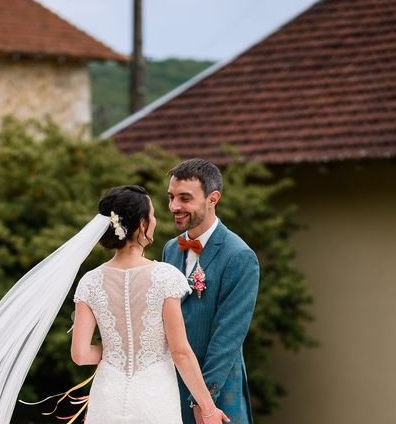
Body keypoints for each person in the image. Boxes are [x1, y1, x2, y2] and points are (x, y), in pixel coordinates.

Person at [72, 185, 229, 424]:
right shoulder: (164, 277)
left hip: (107, 398)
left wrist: (119, 351)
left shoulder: (90, 281)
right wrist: (208, 410)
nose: (155, 220)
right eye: (153, 215)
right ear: (143, 225)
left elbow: (81, 355)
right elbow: (181, 353)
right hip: (154, 398)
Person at [163, 159, 259, 424]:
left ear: (212, 199)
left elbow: (228, 338)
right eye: (171, 197)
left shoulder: (239, 256)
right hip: (170, 388)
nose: (174, 207)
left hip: (216, 392)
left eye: (185, 198)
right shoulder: (171, 249)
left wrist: (202, 401)